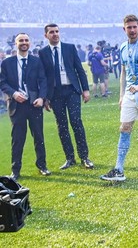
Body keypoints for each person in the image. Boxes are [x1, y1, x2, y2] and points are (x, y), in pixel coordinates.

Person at [100, 14, 138, 181]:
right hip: (130, 93)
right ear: (124, 29)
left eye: (135, 27)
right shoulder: (122, 47)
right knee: (124, 127)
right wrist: (122, 95)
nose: (132, 30)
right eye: (129, 27)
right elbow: (124, 72)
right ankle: (119, 169)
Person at [39, 24, 94, 170]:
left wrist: (86, 89)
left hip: (72, 90)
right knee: (62, 126)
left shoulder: (69, 48)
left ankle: (84, 157)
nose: (55, 34)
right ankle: (70, 158)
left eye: (57, 31)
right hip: (55, 93)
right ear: (46, 35)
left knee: (76, 121)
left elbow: (79, 69)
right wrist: (44, 97)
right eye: (51, 32)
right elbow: (43, 77)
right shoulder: (42, 52)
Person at [0, 33, 50, 180]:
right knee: (17, 138)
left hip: (34, 105)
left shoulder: (36, 61)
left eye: (26, 40)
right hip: (16, 105)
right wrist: (14, 94)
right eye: (21, 40)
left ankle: (42, 165)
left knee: (39, 136)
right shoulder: (7, 63)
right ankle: (15, 170)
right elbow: (2, 83)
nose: (24, 42)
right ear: (16, 44)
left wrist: (42, 98)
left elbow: (43, 81)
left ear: (30, 43)